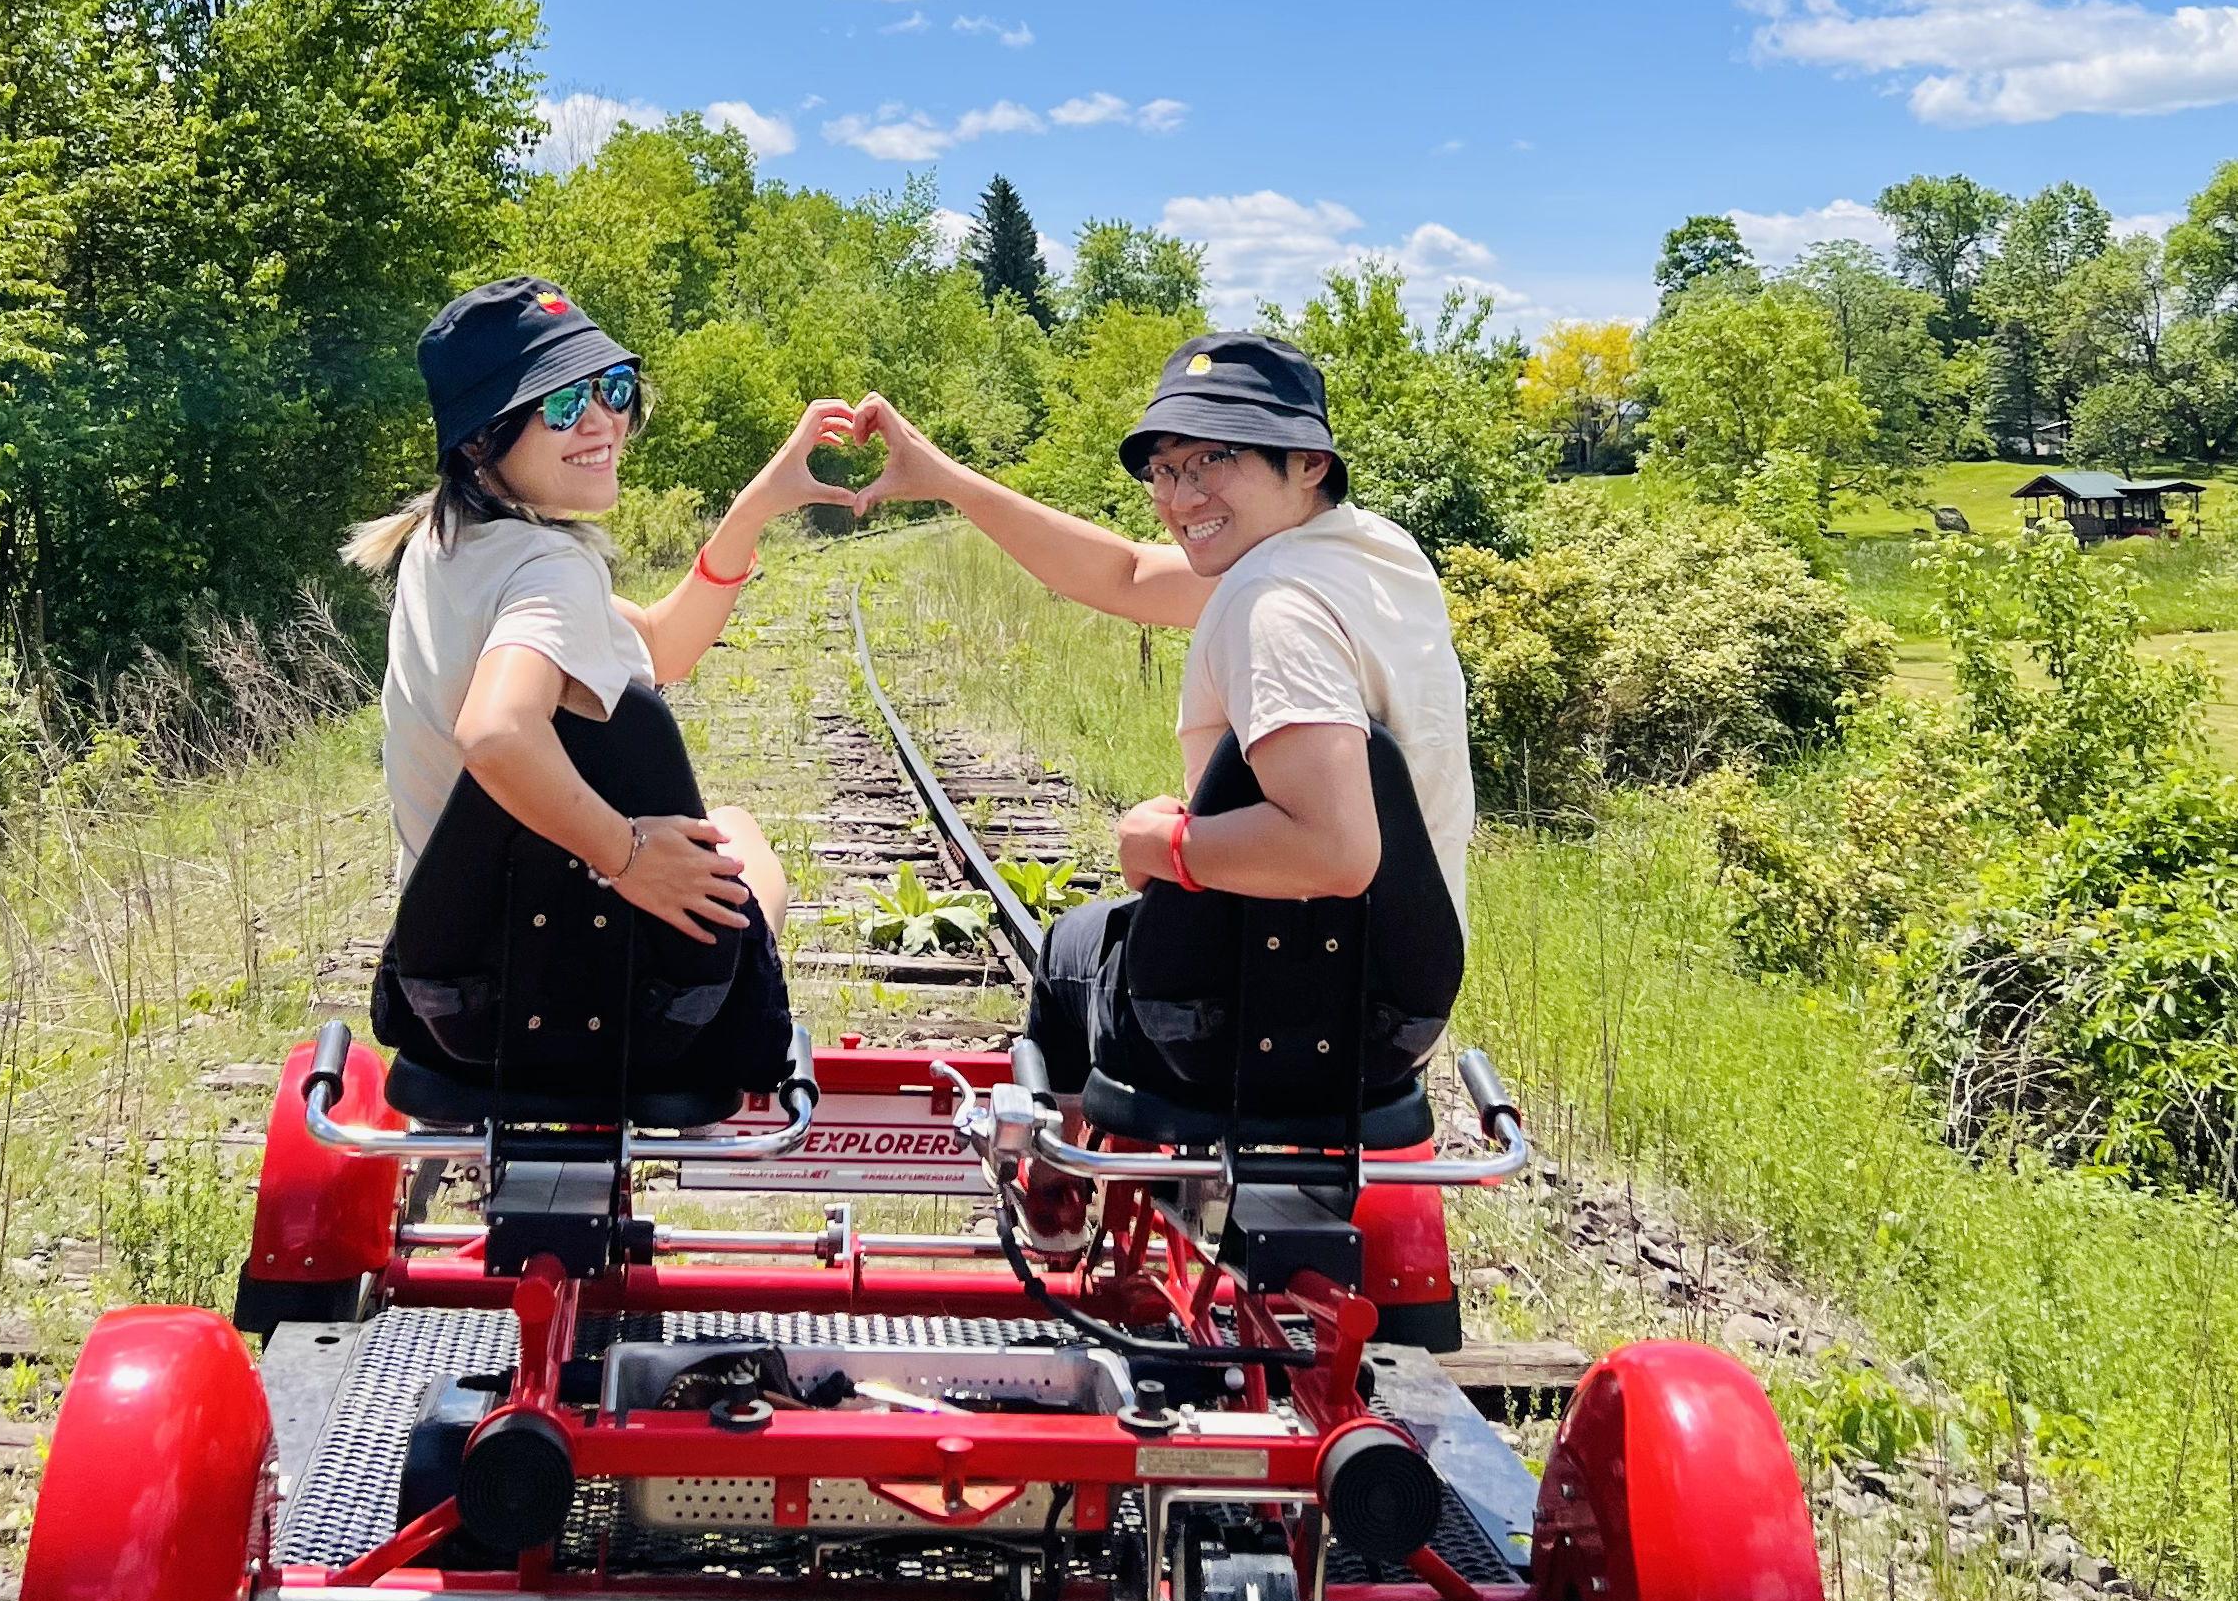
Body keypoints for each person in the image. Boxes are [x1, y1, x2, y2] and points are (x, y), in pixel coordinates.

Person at [844, 335, 1474, 1176]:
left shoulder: (1271, 605)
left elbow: (1336, 848)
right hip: (1399, 1015)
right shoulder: (1373, 557)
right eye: (1165, 470)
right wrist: (944, 478)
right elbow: (1129, 576)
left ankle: (1056, 1194)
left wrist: (1165, 846)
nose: (1182, 494)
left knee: (1071, 949)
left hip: (1232, 1021)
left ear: (1309, 463)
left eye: (1215, 458)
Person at [344, 277, 861, 1107]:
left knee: (728, 828)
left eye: (612, 391)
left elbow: (659, 645)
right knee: (740, 833)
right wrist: (630, 858)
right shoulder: (548, 571)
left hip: (459, 992)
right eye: (559, 406)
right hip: (619, 998)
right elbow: (498, 731)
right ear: (482, 443)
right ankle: (752, 1023)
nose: (602, 422)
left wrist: (756, 506)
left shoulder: (448, 550)